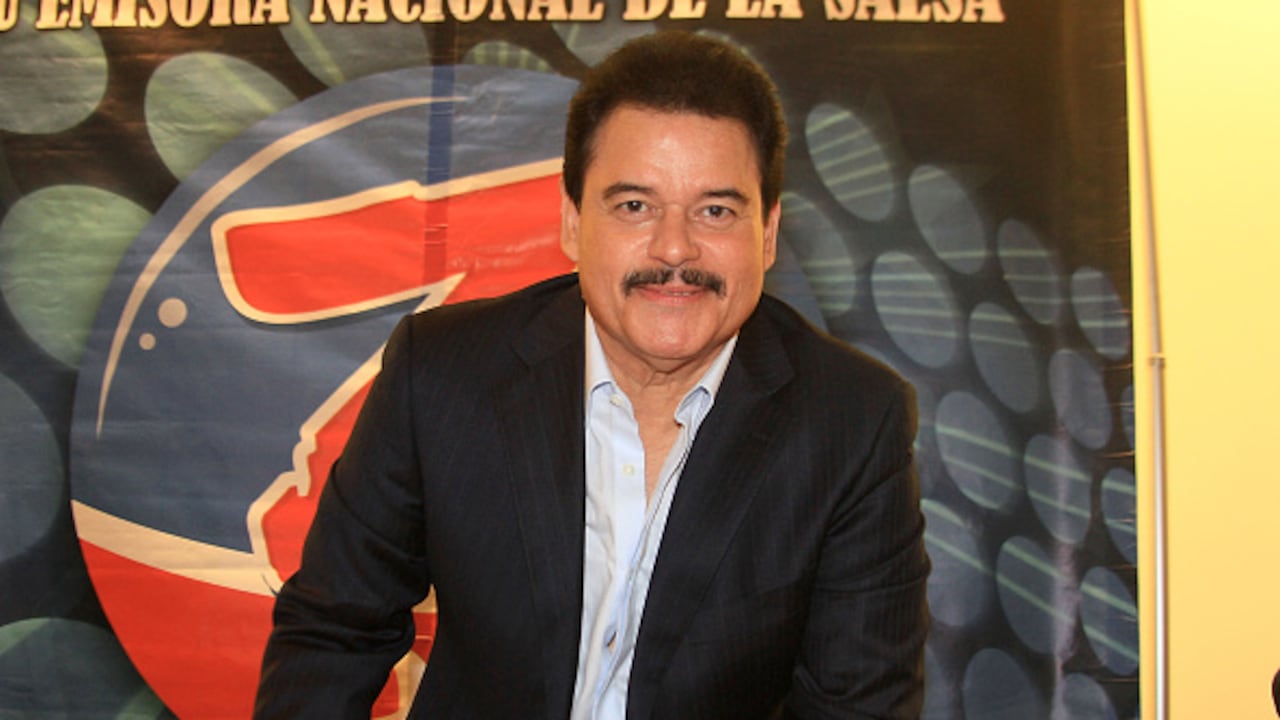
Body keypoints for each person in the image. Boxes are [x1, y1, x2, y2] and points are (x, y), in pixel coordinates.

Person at [255, 31, 930, 719]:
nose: (675, 248)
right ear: (574, 223)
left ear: (768, 233)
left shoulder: (851, 424)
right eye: (634, 206)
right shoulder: (441, 374)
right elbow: (334, 632)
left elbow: (858, 708)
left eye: (716, 211)